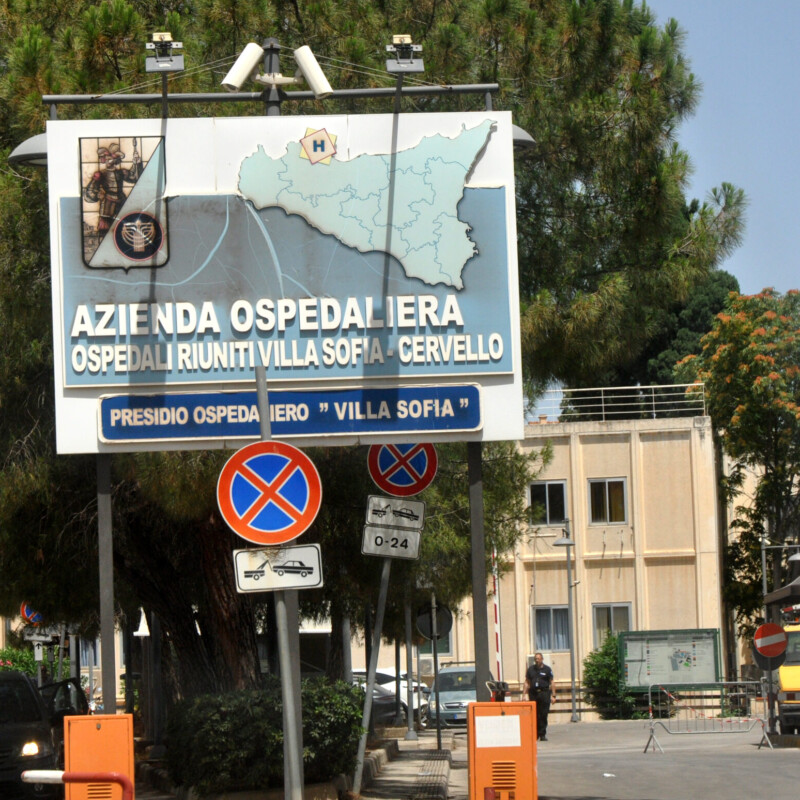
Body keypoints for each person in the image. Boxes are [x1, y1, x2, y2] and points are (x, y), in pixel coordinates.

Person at [524, 652, 556, 740]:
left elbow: (552, 682)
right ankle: (535, 734)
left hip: (544, 693)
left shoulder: (547, 669)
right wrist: (524, 695)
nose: (536, 660)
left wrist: (553, 695)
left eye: (538, 658)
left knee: (543, 714)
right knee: (534, 714)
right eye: (535, 659)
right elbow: (527, 682)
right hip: (533, 693)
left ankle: (542, 734)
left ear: (542, 659)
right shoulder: (531, 669)